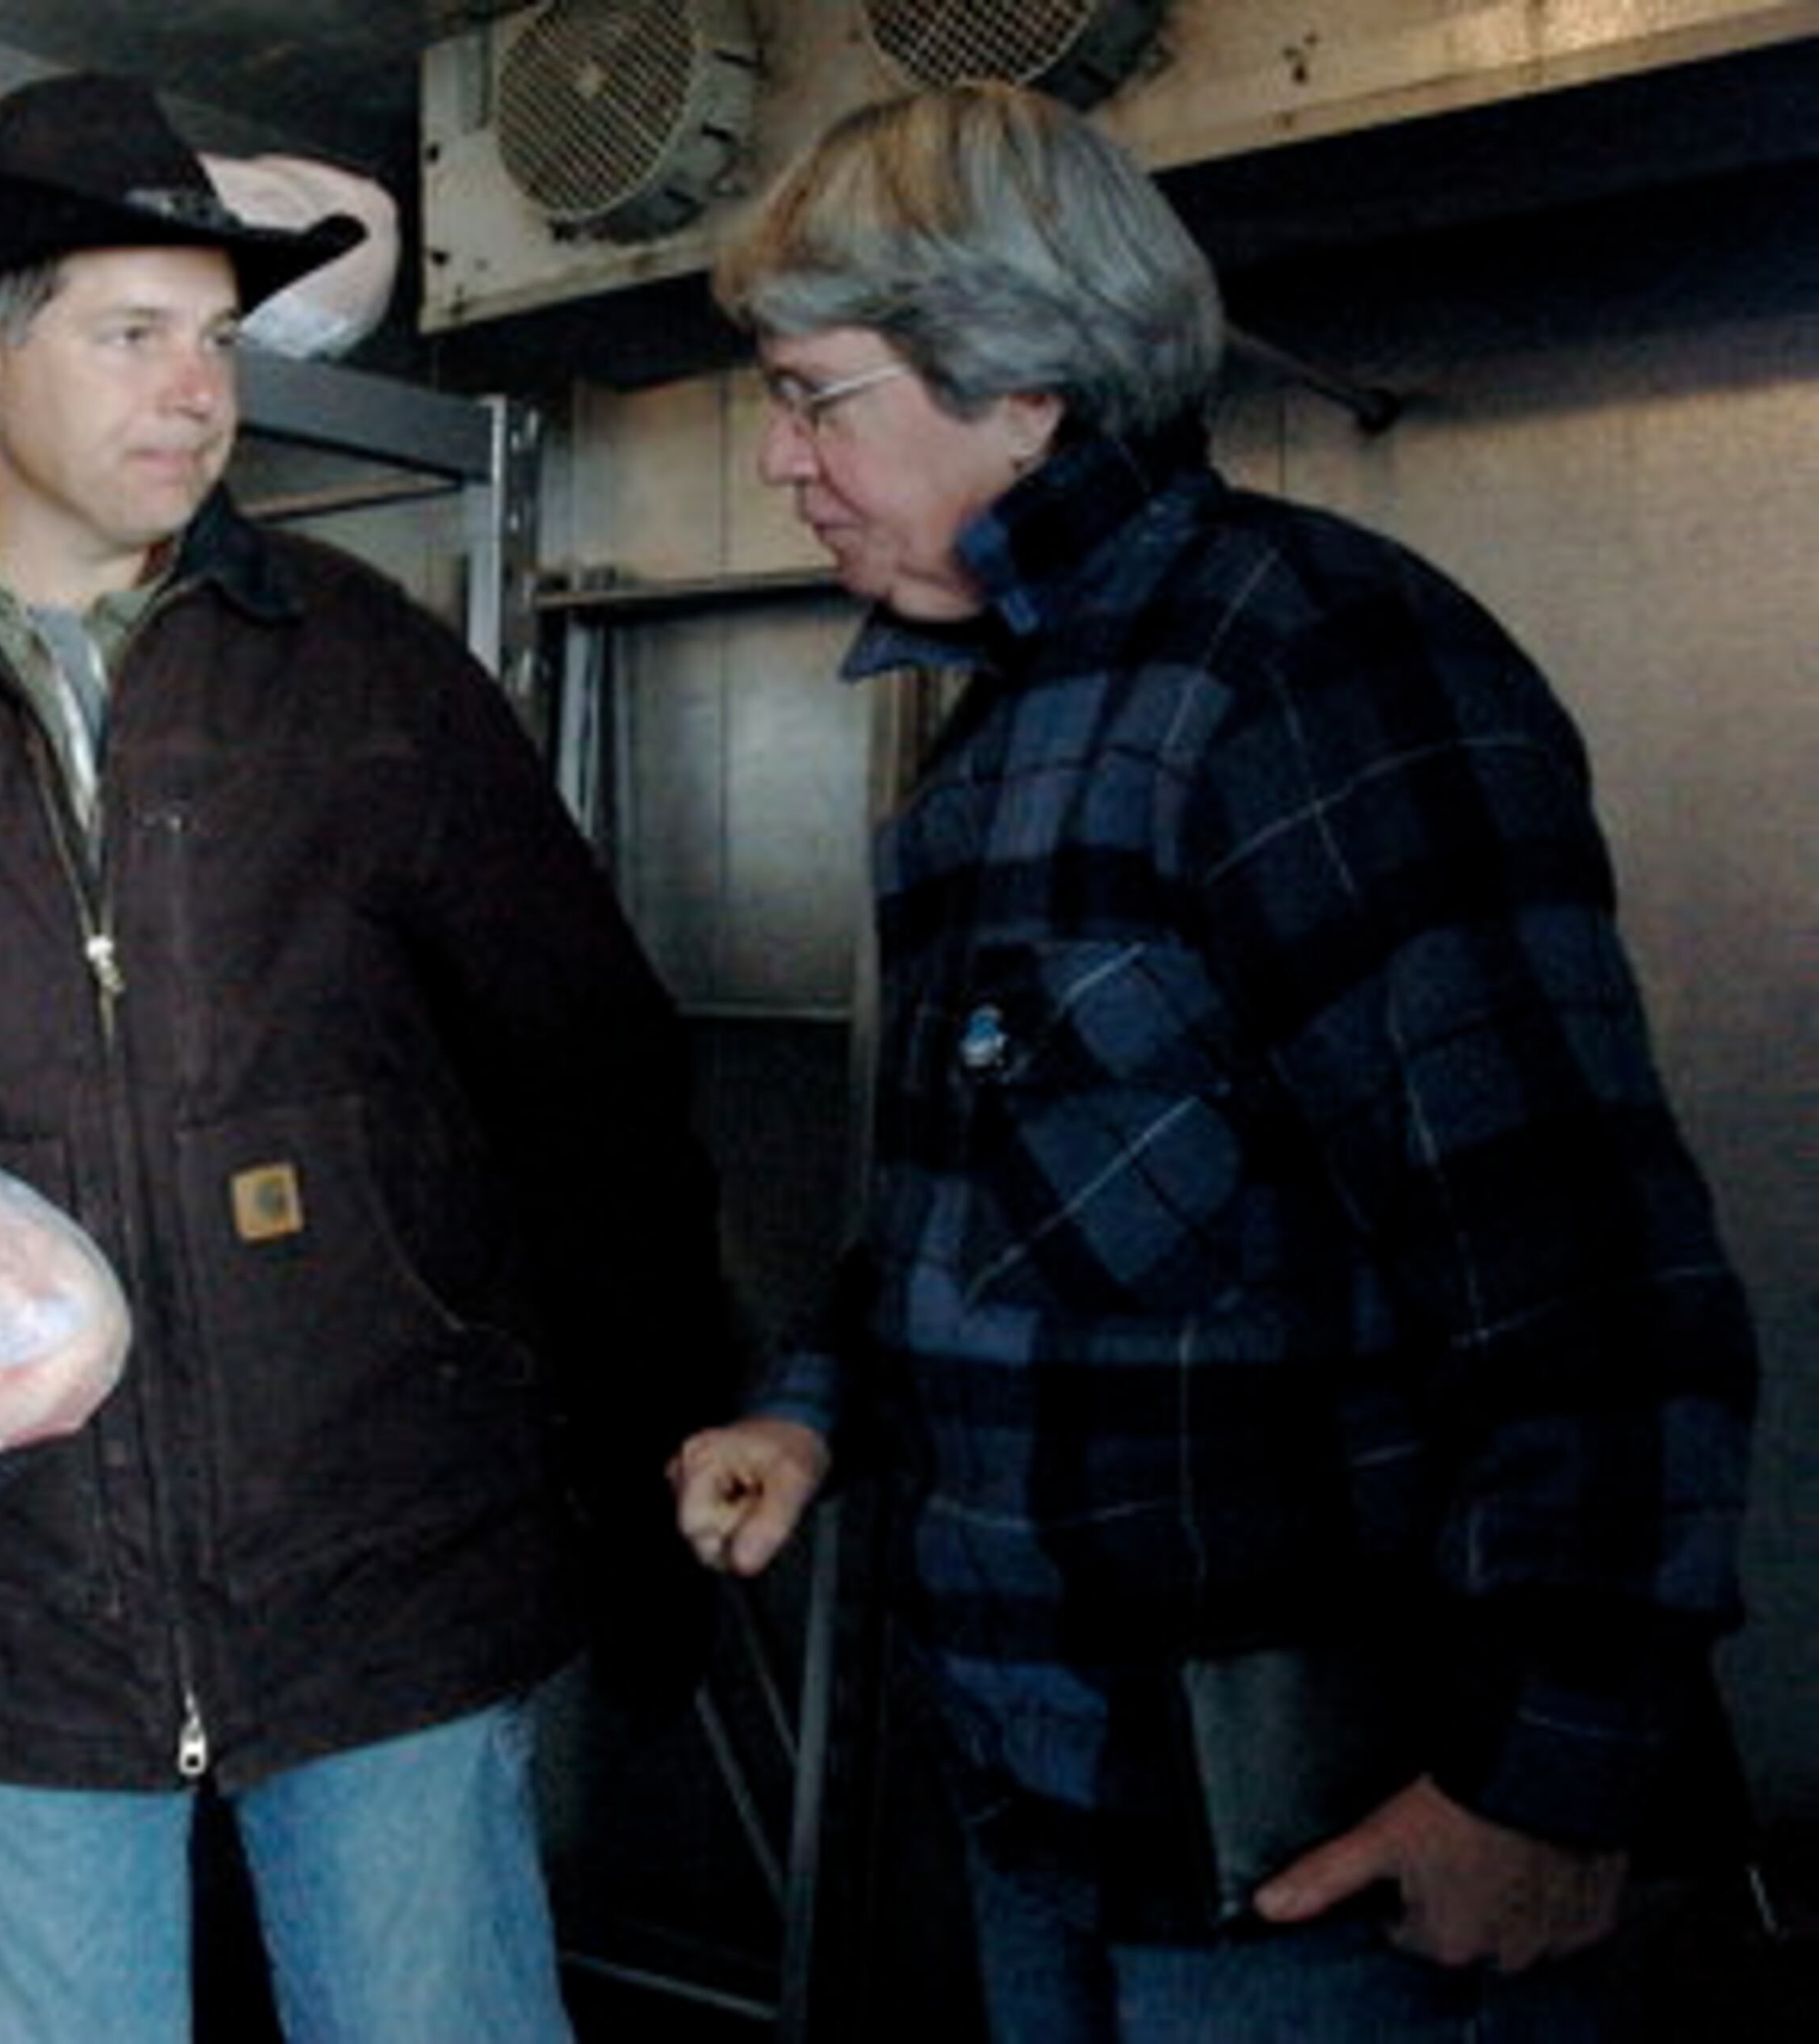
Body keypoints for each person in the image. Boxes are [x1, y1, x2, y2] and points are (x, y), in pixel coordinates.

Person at [0, 71, 734, 2044]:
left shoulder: (363, 674)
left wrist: (663, 1418)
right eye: (130, 334)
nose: (196, 389)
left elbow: (586, 1070)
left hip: (383, 1564)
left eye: (214, 337)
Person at [665, 82, 1757, 2042]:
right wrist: (819, 1402)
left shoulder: (1307, 664)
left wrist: (1546, 1774)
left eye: (816, 396)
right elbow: (988, 1191)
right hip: (1054, 1797)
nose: (778, 460)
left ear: (1024, 387)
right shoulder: (1001, 722)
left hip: (1329, 1848)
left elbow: (1584, 1265)